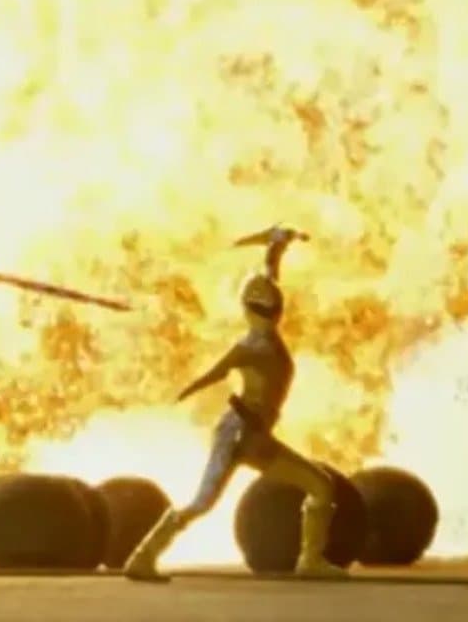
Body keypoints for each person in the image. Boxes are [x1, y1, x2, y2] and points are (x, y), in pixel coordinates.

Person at [122, 225, 346, 582]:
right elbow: (214, 373)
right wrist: (184, 392)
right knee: (202, 502)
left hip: (258, 438)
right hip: (237, 435)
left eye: (270, 307)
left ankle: (310, 561)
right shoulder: (248, 349)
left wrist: (275, 247)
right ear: (250, 310)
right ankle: (142, 557)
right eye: (262, 308)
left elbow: (269, 279)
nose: (268, 312)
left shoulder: (263, 339)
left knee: (320, 486)